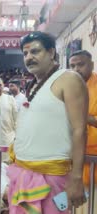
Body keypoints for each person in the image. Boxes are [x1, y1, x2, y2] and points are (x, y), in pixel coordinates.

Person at [8, 32, 88, 213]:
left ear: (52, 52)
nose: (29, 57)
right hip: (24, 173)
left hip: (53, 175)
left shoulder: (68, 79)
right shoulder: (33, 85)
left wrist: (77, 177)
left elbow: (79, 129)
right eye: (26, 54)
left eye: (35, 51)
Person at [69, 50, 97, 214]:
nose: (76, 69)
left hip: (94, 162)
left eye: (81, 64)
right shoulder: (67, 87)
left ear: (92, 65)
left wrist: (86, 118)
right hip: (73, 163)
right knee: (73, 207)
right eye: (72, 65)